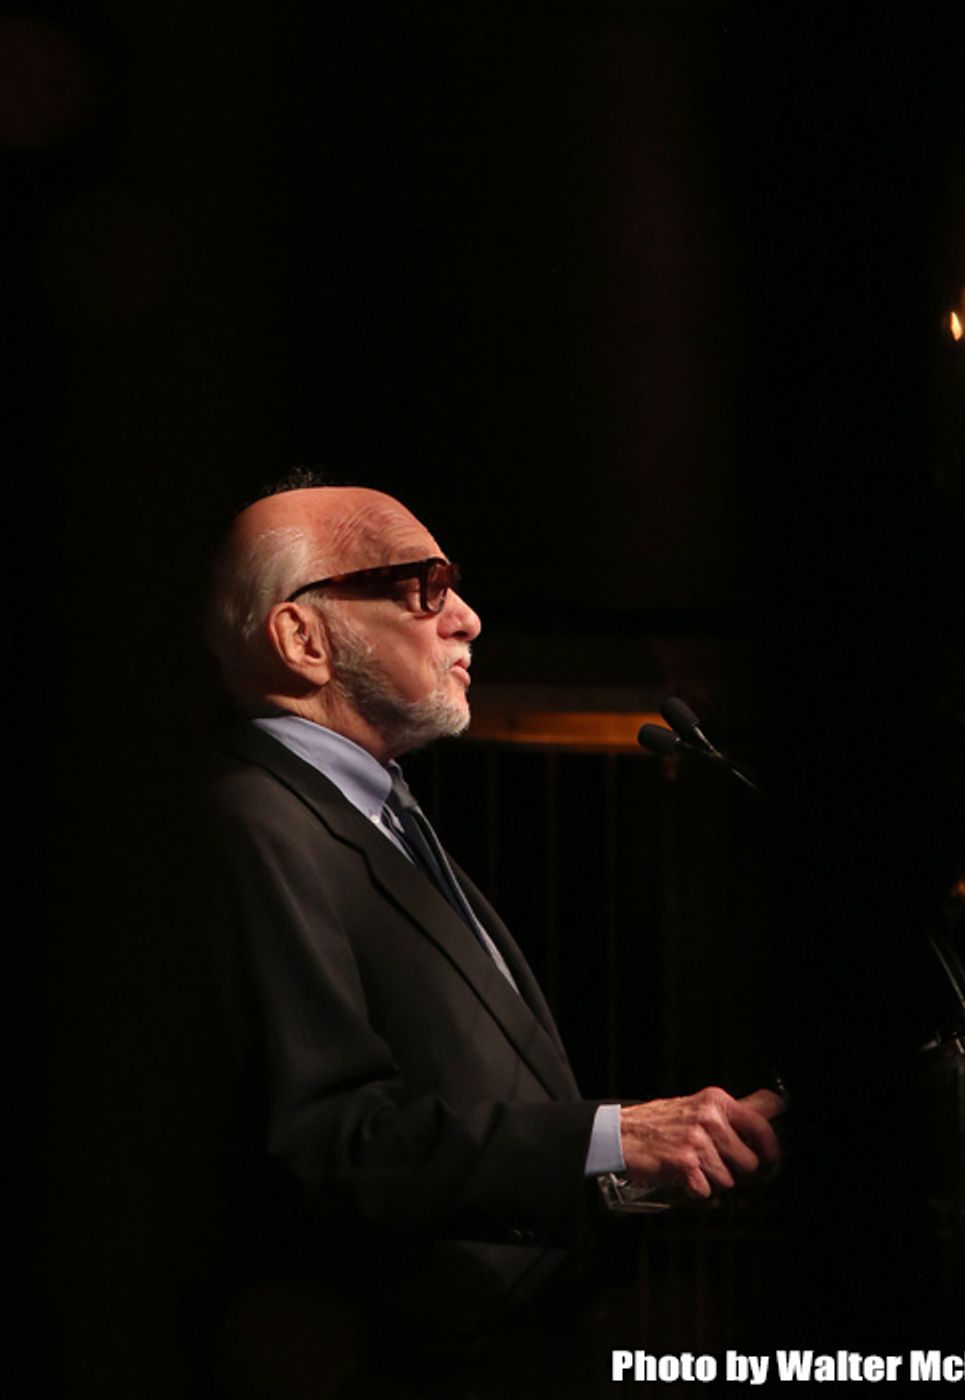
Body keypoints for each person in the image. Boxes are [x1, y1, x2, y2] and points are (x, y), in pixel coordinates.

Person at [199, 480, 784, 1396]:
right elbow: (327, 1142)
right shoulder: (251, 822)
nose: (467, 619)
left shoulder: (377, 812)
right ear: (301, 638)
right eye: (422, 587)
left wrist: (634, 1173)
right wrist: (608, 1140)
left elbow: (466, 1099)